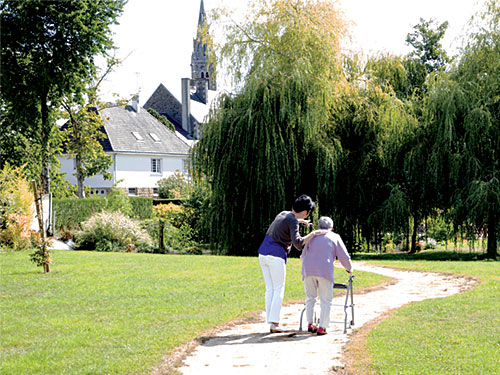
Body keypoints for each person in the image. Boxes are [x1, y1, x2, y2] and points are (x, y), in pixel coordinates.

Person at [258, 194, 326, 333]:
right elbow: (298, 243)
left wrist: (301, 222)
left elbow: (289, 220)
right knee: (278, 289)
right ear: (306, 212)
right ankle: (275, 323)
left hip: (263, 253)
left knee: (270, 288)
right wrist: (313, 234)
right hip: (275, 255)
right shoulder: (293, 222)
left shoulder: (284, 213)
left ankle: (270, 322)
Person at [300, 216, 352, 335]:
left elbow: (303, 255)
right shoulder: (335, 237)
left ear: (319, 226)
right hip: (324, 270)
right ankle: (322, 326)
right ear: (332, 227)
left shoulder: (312, 236)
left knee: (310, 297)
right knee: (326, 299)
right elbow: (343, 256)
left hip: (308, 270)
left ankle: (310, 323)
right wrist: (349, 268)